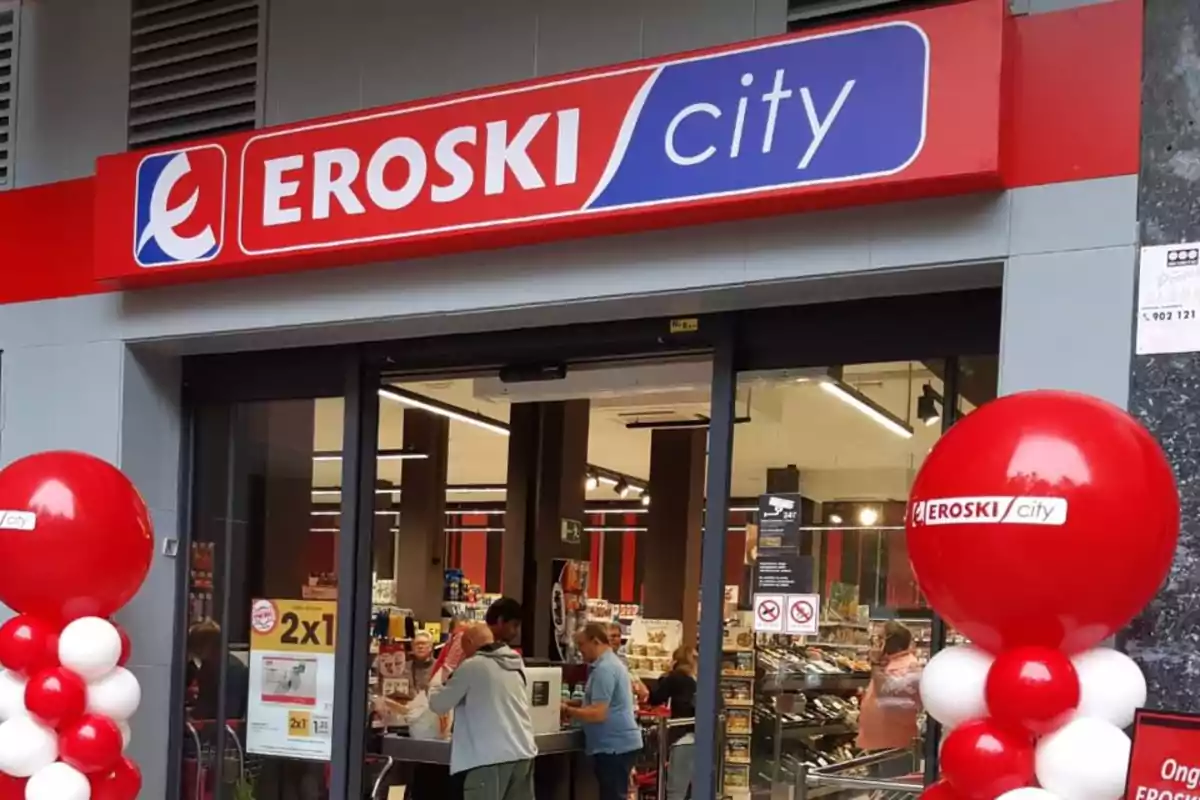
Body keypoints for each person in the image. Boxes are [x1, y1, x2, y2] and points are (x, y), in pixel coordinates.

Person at [430, 623, 538, 800]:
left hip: (488, 759)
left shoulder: (473, 666)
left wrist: (443, 672)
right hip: (523, 753)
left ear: (470, 642)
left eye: (463, 647)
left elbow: (439, 704)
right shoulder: (516, 664)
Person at [564, 622, 643, 800]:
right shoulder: (611, 664)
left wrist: (568, 710)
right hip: (619, 744)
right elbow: (600, 700)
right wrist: (572, 702)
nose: (580, 650)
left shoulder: (604, 669)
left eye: (582, 645)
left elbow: (598, 713)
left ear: (596, 641)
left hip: (613, 746)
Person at [857, 621, 922, 778]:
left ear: (894, 642)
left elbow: (887, 694)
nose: (876, 644)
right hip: (878, 742)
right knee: (879, 791)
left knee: (893, 790)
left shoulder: (909, 666)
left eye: (880, 639)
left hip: (894, 743)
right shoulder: (890, 663)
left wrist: (875, 664)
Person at [648, 646, 697, 800]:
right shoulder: (695, 680)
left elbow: (655, 698)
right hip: (697, 736)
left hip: (682, 736)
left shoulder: (675, 677)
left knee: (676, 790)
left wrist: (667, 673)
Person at [186, 621, 249, 723]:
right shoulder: (207, 666)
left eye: (196, 647)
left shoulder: (233, 671)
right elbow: (203, 704)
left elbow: (230, 716)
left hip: (221, 730)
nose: (194, 652)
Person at [608, 622, 649, 704]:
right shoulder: (603, 661)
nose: (616, 639)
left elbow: (633, 674)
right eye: (612, 636)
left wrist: (641, 687)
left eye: (618, 636)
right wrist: (635, 687)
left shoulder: (622, 658)